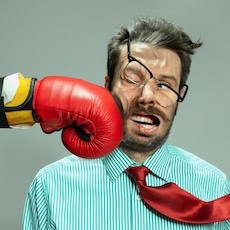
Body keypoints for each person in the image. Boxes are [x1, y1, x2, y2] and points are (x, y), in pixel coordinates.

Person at [3, 17, 230, 229]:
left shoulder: (214, 187)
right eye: (133, 78)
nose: (147, 96)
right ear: (107, 86)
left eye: (165, 85)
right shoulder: (50, 186)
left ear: (179, 98)